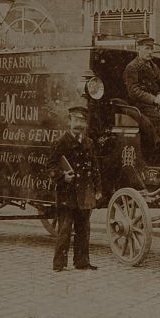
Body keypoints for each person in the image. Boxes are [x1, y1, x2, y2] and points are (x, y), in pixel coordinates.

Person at [48, 106, 102, 272]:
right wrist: (62, 176)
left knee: (84, 229)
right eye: (76, 120)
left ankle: (82, 262)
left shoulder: (89, 143)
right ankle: (59, 263)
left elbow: (94, 167)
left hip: (84, 193)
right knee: (64, 229)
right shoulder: (60, 142)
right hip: (67, 193)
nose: (79, 124)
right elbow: (51, 166)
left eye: (82, 121)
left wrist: (98, 189)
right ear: (69, 121)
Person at [123, 37, 160, 164]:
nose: (150, 52)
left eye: (151, 49)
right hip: (140, 106)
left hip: (154, 105)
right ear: (138, 49)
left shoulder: (154, 67)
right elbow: (133, 91)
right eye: (147, 49)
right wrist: (153, 99)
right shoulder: (132, 67)